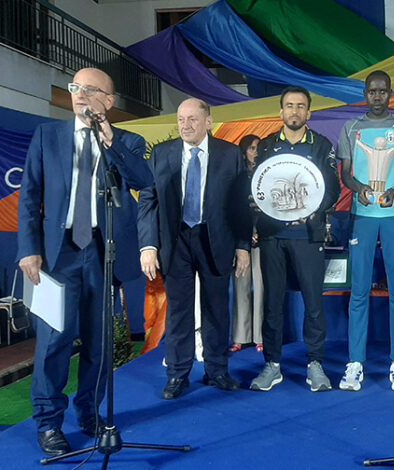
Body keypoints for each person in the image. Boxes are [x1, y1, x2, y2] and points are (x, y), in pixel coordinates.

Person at [17, 68, 153, 456]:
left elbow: (143, 179)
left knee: (100, 342)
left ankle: (90, 412)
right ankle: (48, 423)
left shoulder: (126, 140)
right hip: (56, 254)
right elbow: (30, 195)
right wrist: (28, 248)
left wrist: (111, 141)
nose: (79, 94)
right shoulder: (47, 136)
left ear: (108, 101)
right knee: (54, 341)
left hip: (102, 251)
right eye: (75, 87)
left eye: (90, 89)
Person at [137, 98, 250, 400]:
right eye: (181, 119)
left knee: (217, 310)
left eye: (192, 119)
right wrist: (148, 245)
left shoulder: (230, 154)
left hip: (216, 240)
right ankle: (177, 374)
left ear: (208, 122)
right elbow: (148, 201)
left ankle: (217, 370)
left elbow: (240, 206)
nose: (185, 126)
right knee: (179, 311)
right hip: (175, 242)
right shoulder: (161, 154)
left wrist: (242, 247)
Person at [337, 70, 394, 392]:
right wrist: (358, 188)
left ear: (391, 93)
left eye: (382, 91)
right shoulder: (351, 128)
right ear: (365, 93)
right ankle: (355, 364)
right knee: (359, 291)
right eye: (372, 91)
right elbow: (346, 175)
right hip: (362, 216)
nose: (377, 96)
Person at [248, 86, 340, 392]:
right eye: (289, 105)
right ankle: (272, 365)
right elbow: (256, 185)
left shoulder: (321, 145)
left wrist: (314, 210)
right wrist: (255, 202)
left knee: (313, 303)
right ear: (281, 111)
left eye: (300, 106)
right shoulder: (266, 145)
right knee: (272, 303)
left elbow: (333, 190)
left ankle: (315, 364)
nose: (295, 111)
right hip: (272, 235)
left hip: (308, 236)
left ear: (308, 112)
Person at [230, 134, 264, 353]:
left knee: (261, 286)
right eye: (252, 148)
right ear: (244, 152)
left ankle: (261, 335)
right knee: (241, 285)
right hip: (240, 237)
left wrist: (259, 231)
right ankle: (240, 337)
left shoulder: (267, 173)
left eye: (258, 148)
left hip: (263, 236)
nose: (255, 152)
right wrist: (244, 233)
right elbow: (233, 209)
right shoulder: (237, 176)